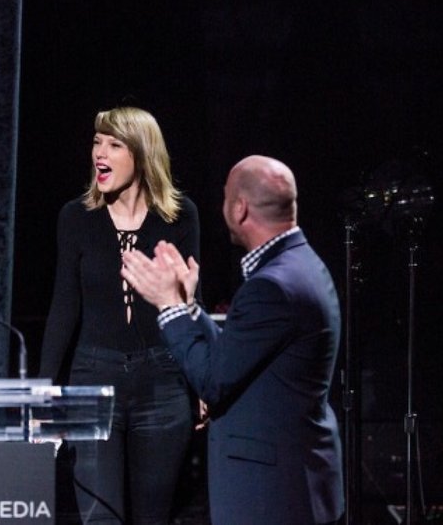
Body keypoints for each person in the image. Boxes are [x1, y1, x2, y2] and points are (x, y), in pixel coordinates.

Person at [121, 155, 344, 524]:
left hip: (272, 495)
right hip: (292, 482)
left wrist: (168, 305)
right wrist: (190, 306)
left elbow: (214, 381)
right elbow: (239, 353)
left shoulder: (272, 286)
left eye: (225, 197)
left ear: (239, 209)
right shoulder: (300, 265)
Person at [38, 106, 201, 524]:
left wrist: (202, 381)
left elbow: (189, 301)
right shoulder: (76, 217)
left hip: (163, 383)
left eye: (113, 144)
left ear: (142, 153)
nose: (99, 153)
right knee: (100, 517)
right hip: (93, 380)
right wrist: (44, 392)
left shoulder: (179, 216)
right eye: (96, 142)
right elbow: (63, 306)